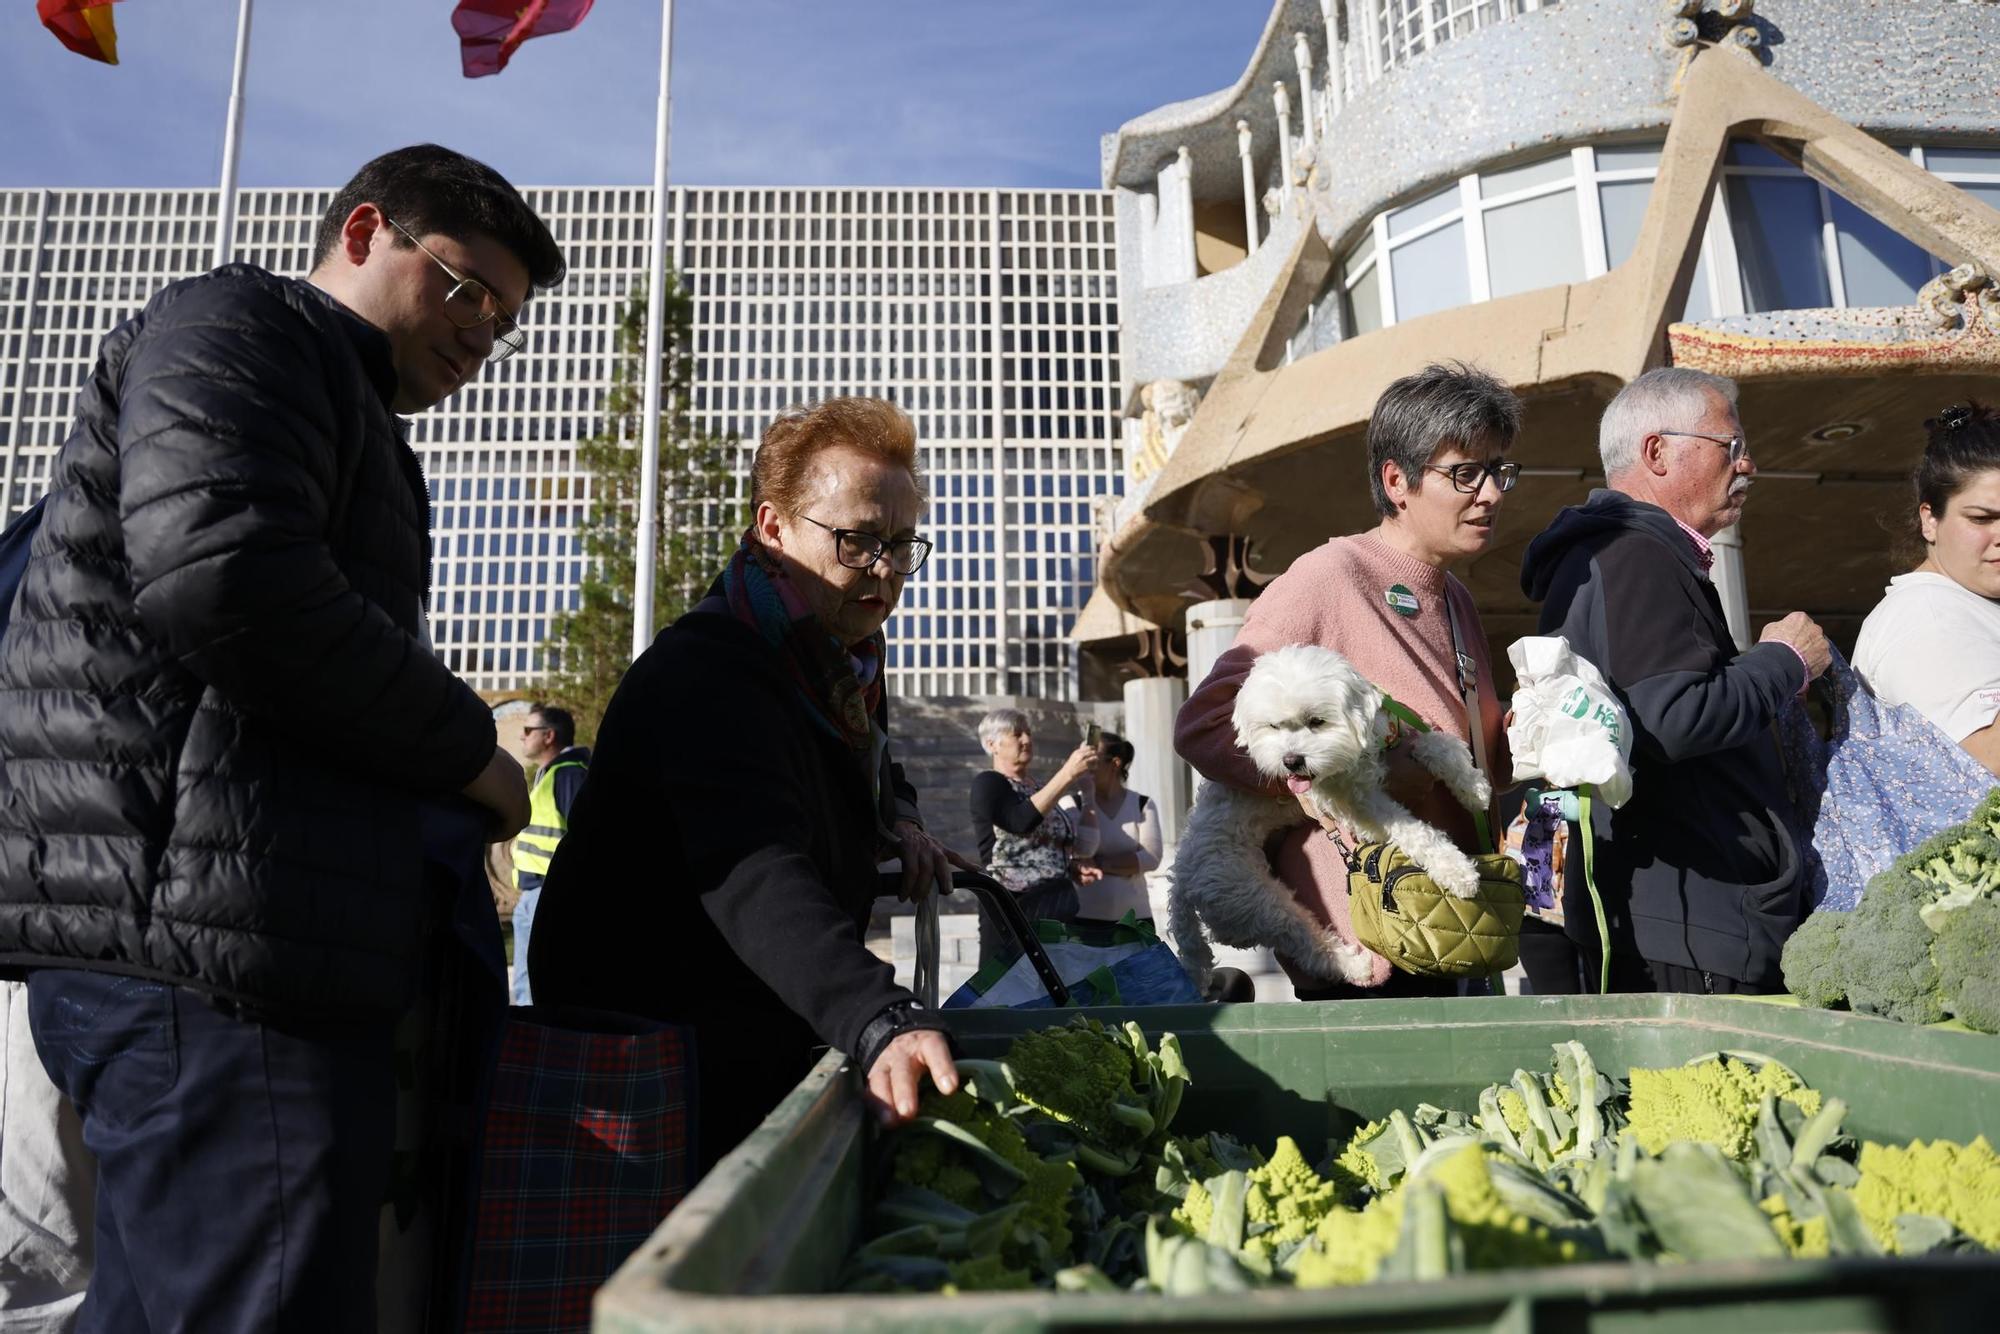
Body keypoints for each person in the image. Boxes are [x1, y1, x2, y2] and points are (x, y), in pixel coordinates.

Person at [0, 144, 555, 1330]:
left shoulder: (336, 396)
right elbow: (225, 577)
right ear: (365, 232)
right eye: (466, 291)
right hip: (210, 959)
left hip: (223, 938)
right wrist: (471, 750)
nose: (480, 338)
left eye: (502, 321)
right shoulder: (243, 322)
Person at [528, 396, 960, 1180]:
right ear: (773, 526)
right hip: (653, 1061)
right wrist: (876, 1015)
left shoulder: (842, 660)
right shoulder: (712, 669)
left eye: (901, 545)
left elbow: (874, 767)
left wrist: (900, 819)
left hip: (748, 1029)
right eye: (859, 539)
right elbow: (755, 869)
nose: (886, 569)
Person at [1176, 362, 1518, 1001]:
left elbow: (1481, 760)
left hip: (1459, 924)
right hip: (1370, 944)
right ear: (1398, 481)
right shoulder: (1327, 576)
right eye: (1465, 473)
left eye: (1500, 471)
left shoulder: (1459, 600)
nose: (1492, 492)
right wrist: (1325, 779)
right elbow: (1203, 726)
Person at [1520, 366, 1830, 996]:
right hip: (1693, 930)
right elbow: (1674, 717)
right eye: (1731, 447)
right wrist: (1783, 660)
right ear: (1656, 451)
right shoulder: (1636, 556)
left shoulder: (1616, 555)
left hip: (1676, 917)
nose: (1747, 465)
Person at [1855, 402, 2000, 777]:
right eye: (1981, 518)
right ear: (1930, 520)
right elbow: (1983, 766)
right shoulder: (1929, 620)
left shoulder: (1964, 605)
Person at [969, 710, 1100, 962]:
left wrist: (1069, 866)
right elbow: (1020, 821)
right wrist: (1067, 773)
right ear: (991, 745)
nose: (1026, 739)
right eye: (1017, 734)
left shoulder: (1039, 788)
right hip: (1014, 909)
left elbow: (1040, 844)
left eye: (1028, 733)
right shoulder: (988, 783)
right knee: (1008, 991)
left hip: (1057, 906)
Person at [509, 702, 590, 1004]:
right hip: (532, 894)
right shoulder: (550, 774)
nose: (522, 736)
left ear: (549, 736)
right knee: (524, 986)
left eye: (529, 730)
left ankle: (532, 1048)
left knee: (539, 985)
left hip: (549, 892)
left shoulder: (569, 775)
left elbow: (581, 837)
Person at [1077, 732, 1163, 924]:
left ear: (1115, 763)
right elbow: (1075, 855)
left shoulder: (1142, 804)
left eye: (1091, 758)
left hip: (1135, 919)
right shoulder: (1073, 803)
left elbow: (1151, 858)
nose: (1083, 764)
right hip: (1084, 918)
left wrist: (1099, 864)